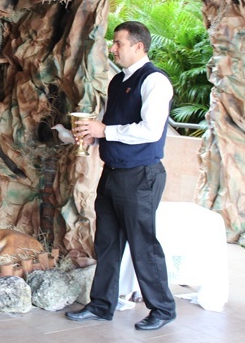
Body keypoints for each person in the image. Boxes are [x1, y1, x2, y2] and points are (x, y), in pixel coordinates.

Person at [65, 21, 176, 331]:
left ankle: (163, 309)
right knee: (107, 243)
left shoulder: (155, 81)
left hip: (141, 176)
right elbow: (114, 127)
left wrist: (104, 130)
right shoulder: (118, 81)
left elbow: (150, 131)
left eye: (118, 43)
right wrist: (94, 136)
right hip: (112, 173)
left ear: (138, 47)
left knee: (143, 245)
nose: (112, 48)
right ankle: (101, 305)